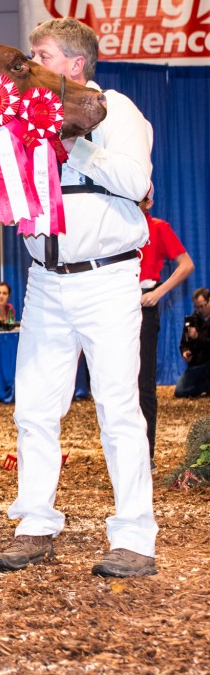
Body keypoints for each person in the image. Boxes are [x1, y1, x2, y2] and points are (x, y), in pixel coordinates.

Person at [0, 18, 158, 578]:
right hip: (45, 281)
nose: (32, 62)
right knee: (34, 409)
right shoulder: (29, 121)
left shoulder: (119, 112)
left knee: (117, 408)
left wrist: (77, 150)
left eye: (40, 54)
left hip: (107, 281)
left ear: (74, 65)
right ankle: (35, 524)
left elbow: (137, 183)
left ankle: (134, 536)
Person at [137, 193, 193, 469]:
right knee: (116, 382)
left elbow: (186, 264)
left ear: (149, 202)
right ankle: (124, 450)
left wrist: (158, 292)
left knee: (144, 382)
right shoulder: (117, 227)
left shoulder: (158, 227)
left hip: (144, 303)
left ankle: (146, 453)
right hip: (114, 303)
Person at [175, 287, 210, 398]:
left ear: (209, 301)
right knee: (179, 391)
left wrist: (197, 337)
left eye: (202, 306)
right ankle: (205, 387)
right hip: (196, 365)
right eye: (196, 307)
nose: (199, 310)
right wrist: (185, 352)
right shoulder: (191, 320)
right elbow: (183, 343)